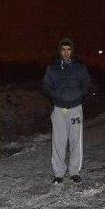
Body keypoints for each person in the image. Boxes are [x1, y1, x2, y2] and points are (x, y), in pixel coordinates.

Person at [42, 37, 91, 184]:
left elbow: (86, 84)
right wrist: (55, 96)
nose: (66, 52)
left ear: (72, 51)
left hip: (75, 108)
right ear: (60, 51)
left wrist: (78, 95)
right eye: (63, 49)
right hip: (58, 109)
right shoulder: (53, 67)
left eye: (68, 49)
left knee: (76, 141)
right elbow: (46, 86)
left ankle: (74, 171)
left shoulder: (79, 67)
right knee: (58, 142)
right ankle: (58, 173)